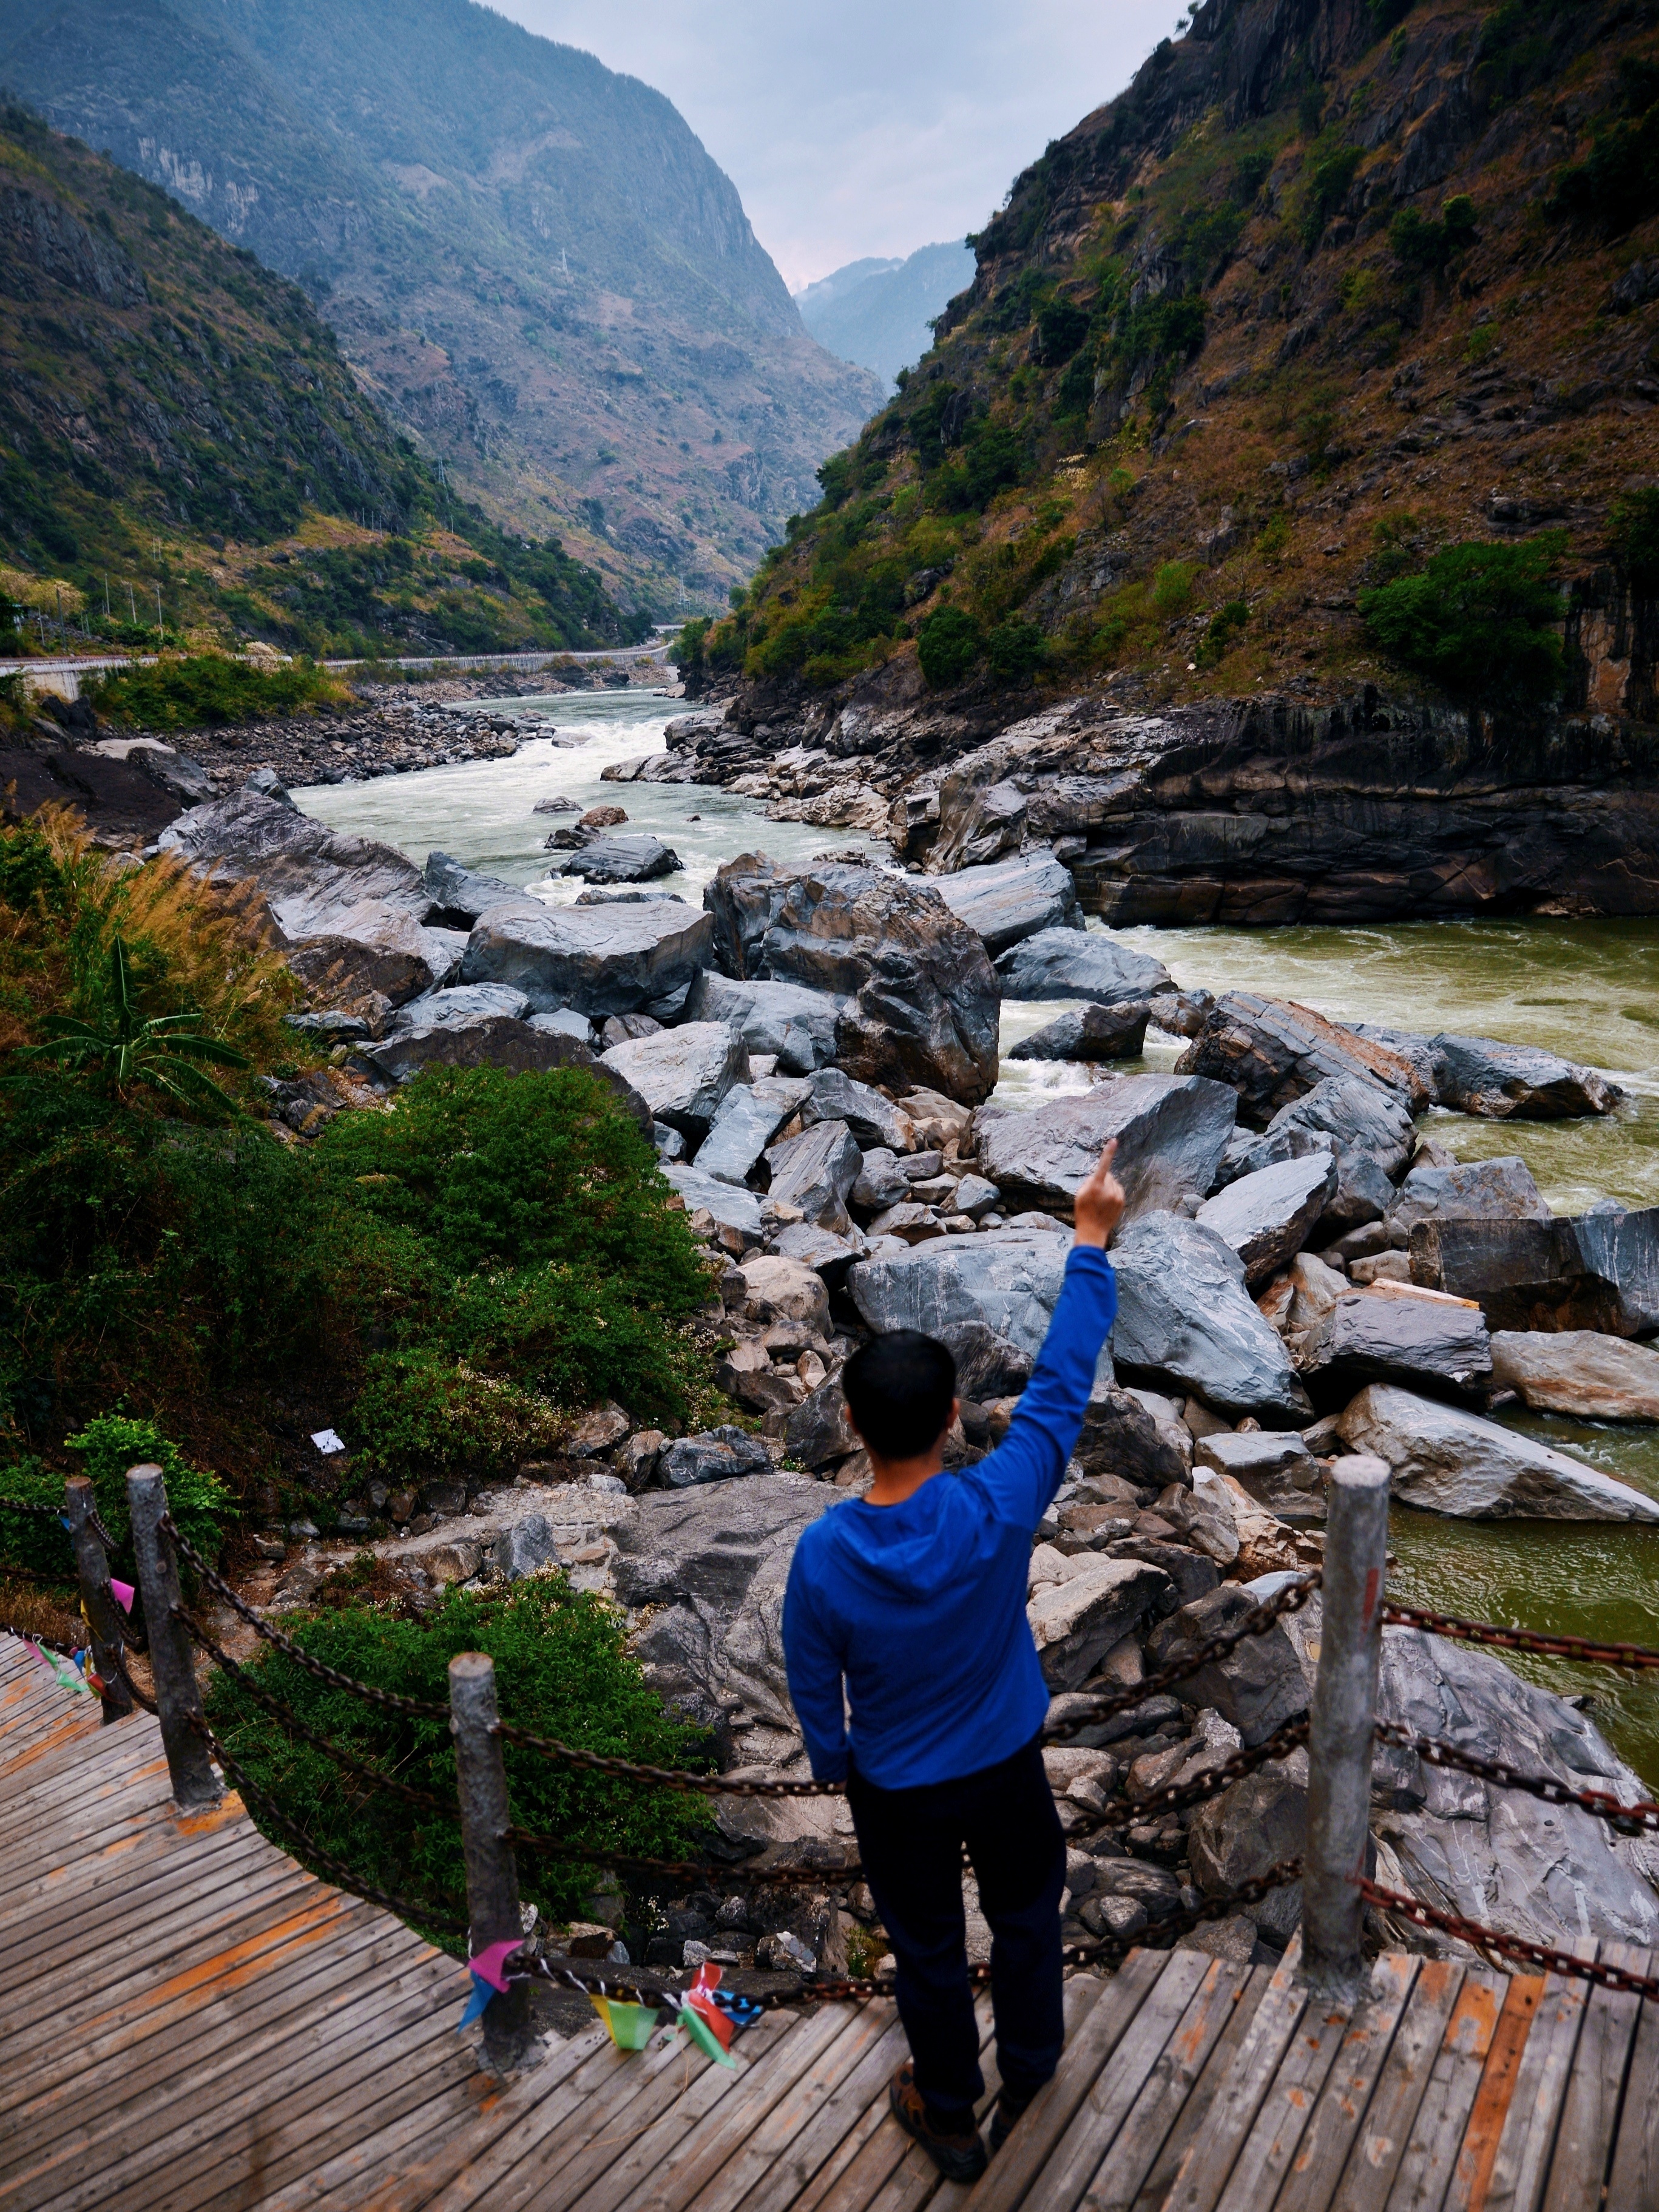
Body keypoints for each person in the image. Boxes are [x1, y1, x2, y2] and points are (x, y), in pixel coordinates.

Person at [782, 1138, 1127, 2182]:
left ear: (849, 1423)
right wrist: (1089, 1236)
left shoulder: (824, 1552)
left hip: (896, 1787)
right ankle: (1028, 2065)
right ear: (951, 1418)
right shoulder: (998, 1501)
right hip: (1006, 1764)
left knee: (927, 1946)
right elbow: (1063, 1384)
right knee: (1026, 1915)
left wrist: (829, 1755)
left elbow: (811, 1672)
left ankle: (950, 2114)